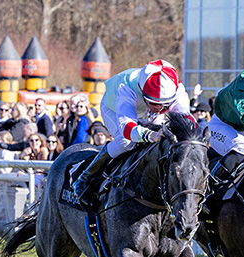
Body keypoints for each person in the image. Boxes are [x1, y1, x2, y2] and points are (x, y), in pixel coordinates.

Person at [72, 59, 192, 203]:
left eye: (164, 104)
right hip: (113, 108)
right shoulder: (127, 89)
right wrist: (150, 134)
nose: (158, 108)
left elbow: (186, 124)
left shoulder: (177, 92)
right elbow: (127, 129)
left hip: (144, 109)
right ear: (143, 92)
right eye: (153, 103)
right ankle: (86, 176)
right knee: (126, 142)